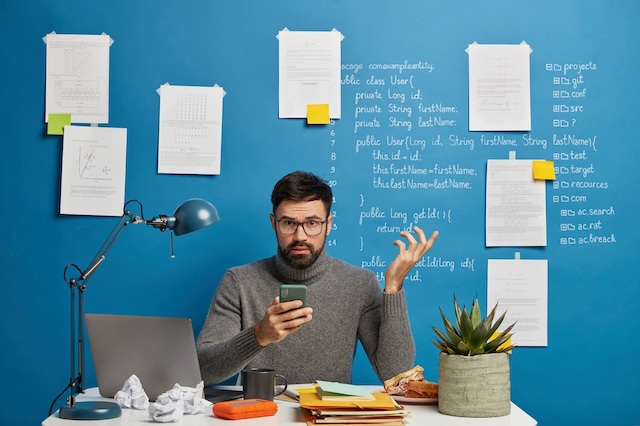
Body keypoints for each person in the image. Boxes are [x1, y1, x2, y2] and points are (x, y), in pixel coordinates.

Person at [196, 171, 438, 385]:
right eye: (289, 223)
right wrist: (259, 335)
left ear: (328, 224)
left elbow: (395, 372)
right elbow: (202, 370)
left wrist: (394, 288)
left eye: (312, 223)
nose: (300, 235)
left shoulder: (359, 283)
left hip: (330, 417)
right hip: (263, 414)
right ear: (273, 223)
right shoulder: (239, 281)